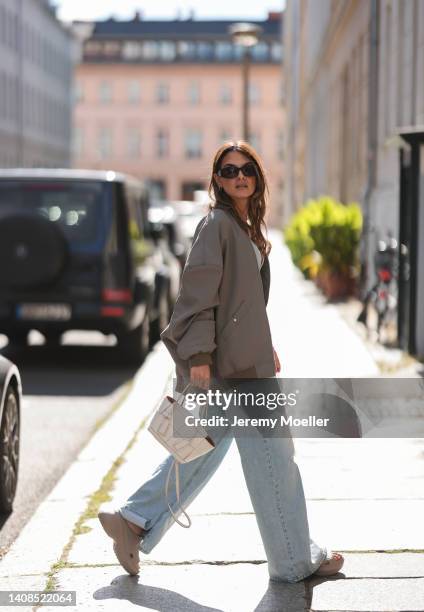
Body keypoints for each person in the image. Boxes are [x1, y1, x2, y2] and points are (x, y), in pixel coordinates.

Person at [98, 141, 344, 582]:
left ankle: (132, 520)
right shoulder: (216, 224)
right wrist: (199, 356)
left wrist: (261, 344)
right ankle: (293, 559)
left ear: (257, 176)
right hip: (232, 371)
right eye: (228, 171)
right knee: (274, 459)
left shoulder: (242, 226)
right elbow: (197, 294)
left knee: (201, 449)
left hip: (243, 362)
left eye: (247, 169)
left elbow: (241, 303)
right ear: (216, 180)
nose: (239, 177)